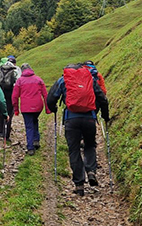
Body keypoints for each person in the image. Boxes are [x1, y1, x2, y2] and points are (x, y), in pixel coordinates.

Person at [47, 62, 109, 196]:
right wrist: (105, 115)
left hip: (71, 120)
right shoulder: (90, 79)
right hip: (89, 119)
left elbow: (51, 98)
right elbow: (102, 98)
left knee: (74, 150)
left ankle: (79, 184)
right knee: (90, 145)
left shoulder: (63, 80)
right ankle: (91, 170)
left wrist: (53, 109)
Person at [11, 63, 48, 155]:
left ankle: (30, 147)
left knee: (29, 126)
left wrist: (16, 109)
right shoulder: (38, 79)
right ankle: (36, 140)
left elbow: (14, 97)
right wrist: (48, 108)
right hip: (38, 106)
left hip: (26, 107)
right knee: (35, 120)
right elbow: (45, 95)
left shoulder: (20, 81)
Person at [0, 55, 22, 142]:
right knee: (9, 113)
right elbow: (18, 82)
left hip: (0, 93)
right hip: (10, 94)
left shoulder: (0, 68)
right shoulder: (15, 69)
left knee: (1, 112)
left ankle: (1, 131)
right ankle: (7, 135)